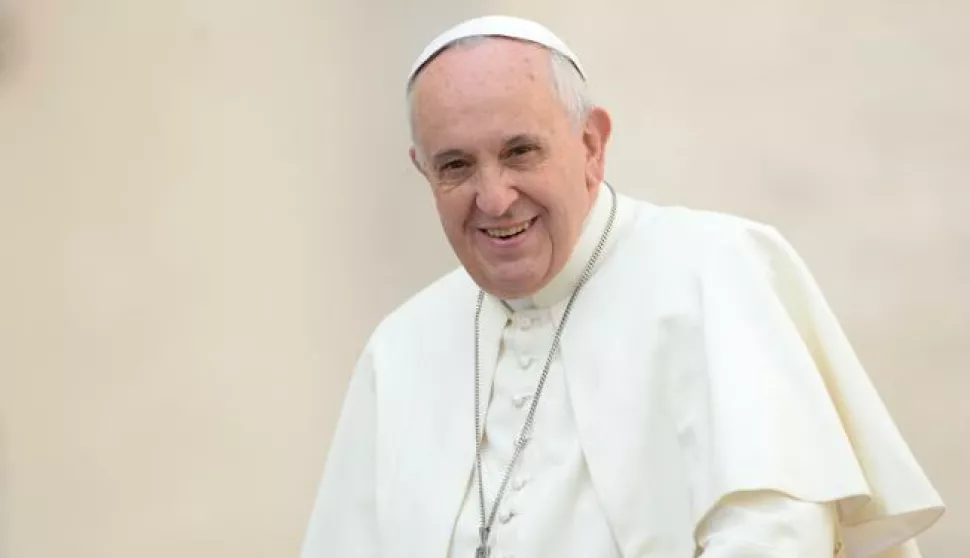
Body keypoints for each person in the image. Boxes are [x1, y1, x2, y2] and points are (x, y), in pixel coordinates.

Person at [300, 15, 944, 558]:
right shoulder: (401, 347)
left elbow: (776, 531)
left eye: (520, 151)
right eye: (456, 166)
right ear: (424, 172)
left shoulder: (714, 269)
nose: (493, 198)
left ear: (591, 144)